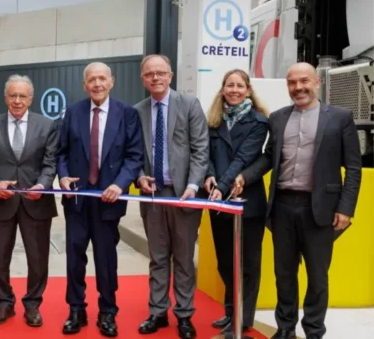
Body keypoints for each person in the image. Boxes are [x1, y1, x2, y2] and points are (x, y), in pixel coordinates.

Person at [234, 62, 362, 339]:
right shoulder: (278, 118)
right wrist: (244, 176)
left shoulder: (340, 117)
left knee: (317, 276)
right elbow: (269, 157)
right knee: (284, 274)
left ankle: (314, 330)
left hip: (321, 210)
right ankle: (285, 327)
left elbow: (353, 168)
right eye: (292, 83)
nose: (298, 87)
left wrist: (346, 208)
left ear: (317, 83)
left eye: (304, 81)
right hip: (281, 206)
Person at [56, 61, 144, 337]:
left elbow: (134, 156)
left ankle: (108, 311)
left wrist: (120, 184)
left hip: (109, 200)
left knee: (106, 259)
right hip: (78, 199)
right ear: (84, 85)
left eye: (102, 79)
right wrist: (63, 176)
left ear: (111, 81)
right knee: (74, 257)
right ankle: (76, 309)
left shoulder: (127, 114)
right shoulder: (73, 112)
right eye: (91, 79)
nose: (97, 84)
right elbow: (61, 152)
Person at [133, 54, 208, 339]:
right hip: (152, 197)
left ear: (170, 75)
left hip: (184, 196)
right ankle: (157, 312)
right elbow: (134, 153)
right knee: (158, 257)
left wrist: (193, 184)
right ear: (143, 79)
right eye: (149, 74)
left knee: (185, 259)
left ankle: (185, 316)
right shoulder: (137, 110)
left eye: (160, 73)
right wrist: (139, 176)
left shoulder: (189, 105)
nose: (155, 78)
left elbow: (201, 149)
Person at [0, 75, 58, 327]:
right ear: (5, 98)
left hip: (36, 203)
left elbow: (50, 162)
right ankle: (4, 303)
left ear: (31, 99)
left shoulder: (47, 126)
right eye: (12, 95)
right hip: (2, 201)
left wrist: (43, 185)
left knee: (38, 258)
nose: (17, 100)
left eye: (22, 96)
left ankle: (33, 305)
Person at [202, 69, 269, 335]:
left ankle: (243, 319)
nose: (234, 90)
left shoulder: (259, 122)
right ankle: (231, 310)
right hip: (218, 203)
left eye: (239, 86)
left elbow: (243, 158)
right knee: (225, 262)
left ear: (248, 90)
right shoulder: (213, 122)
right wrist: (208, 175)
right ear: (222, 89)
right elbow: (205, 153)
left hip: (247, 203)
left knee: (248, 265)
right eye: (229, 85)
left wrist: (221, 185)